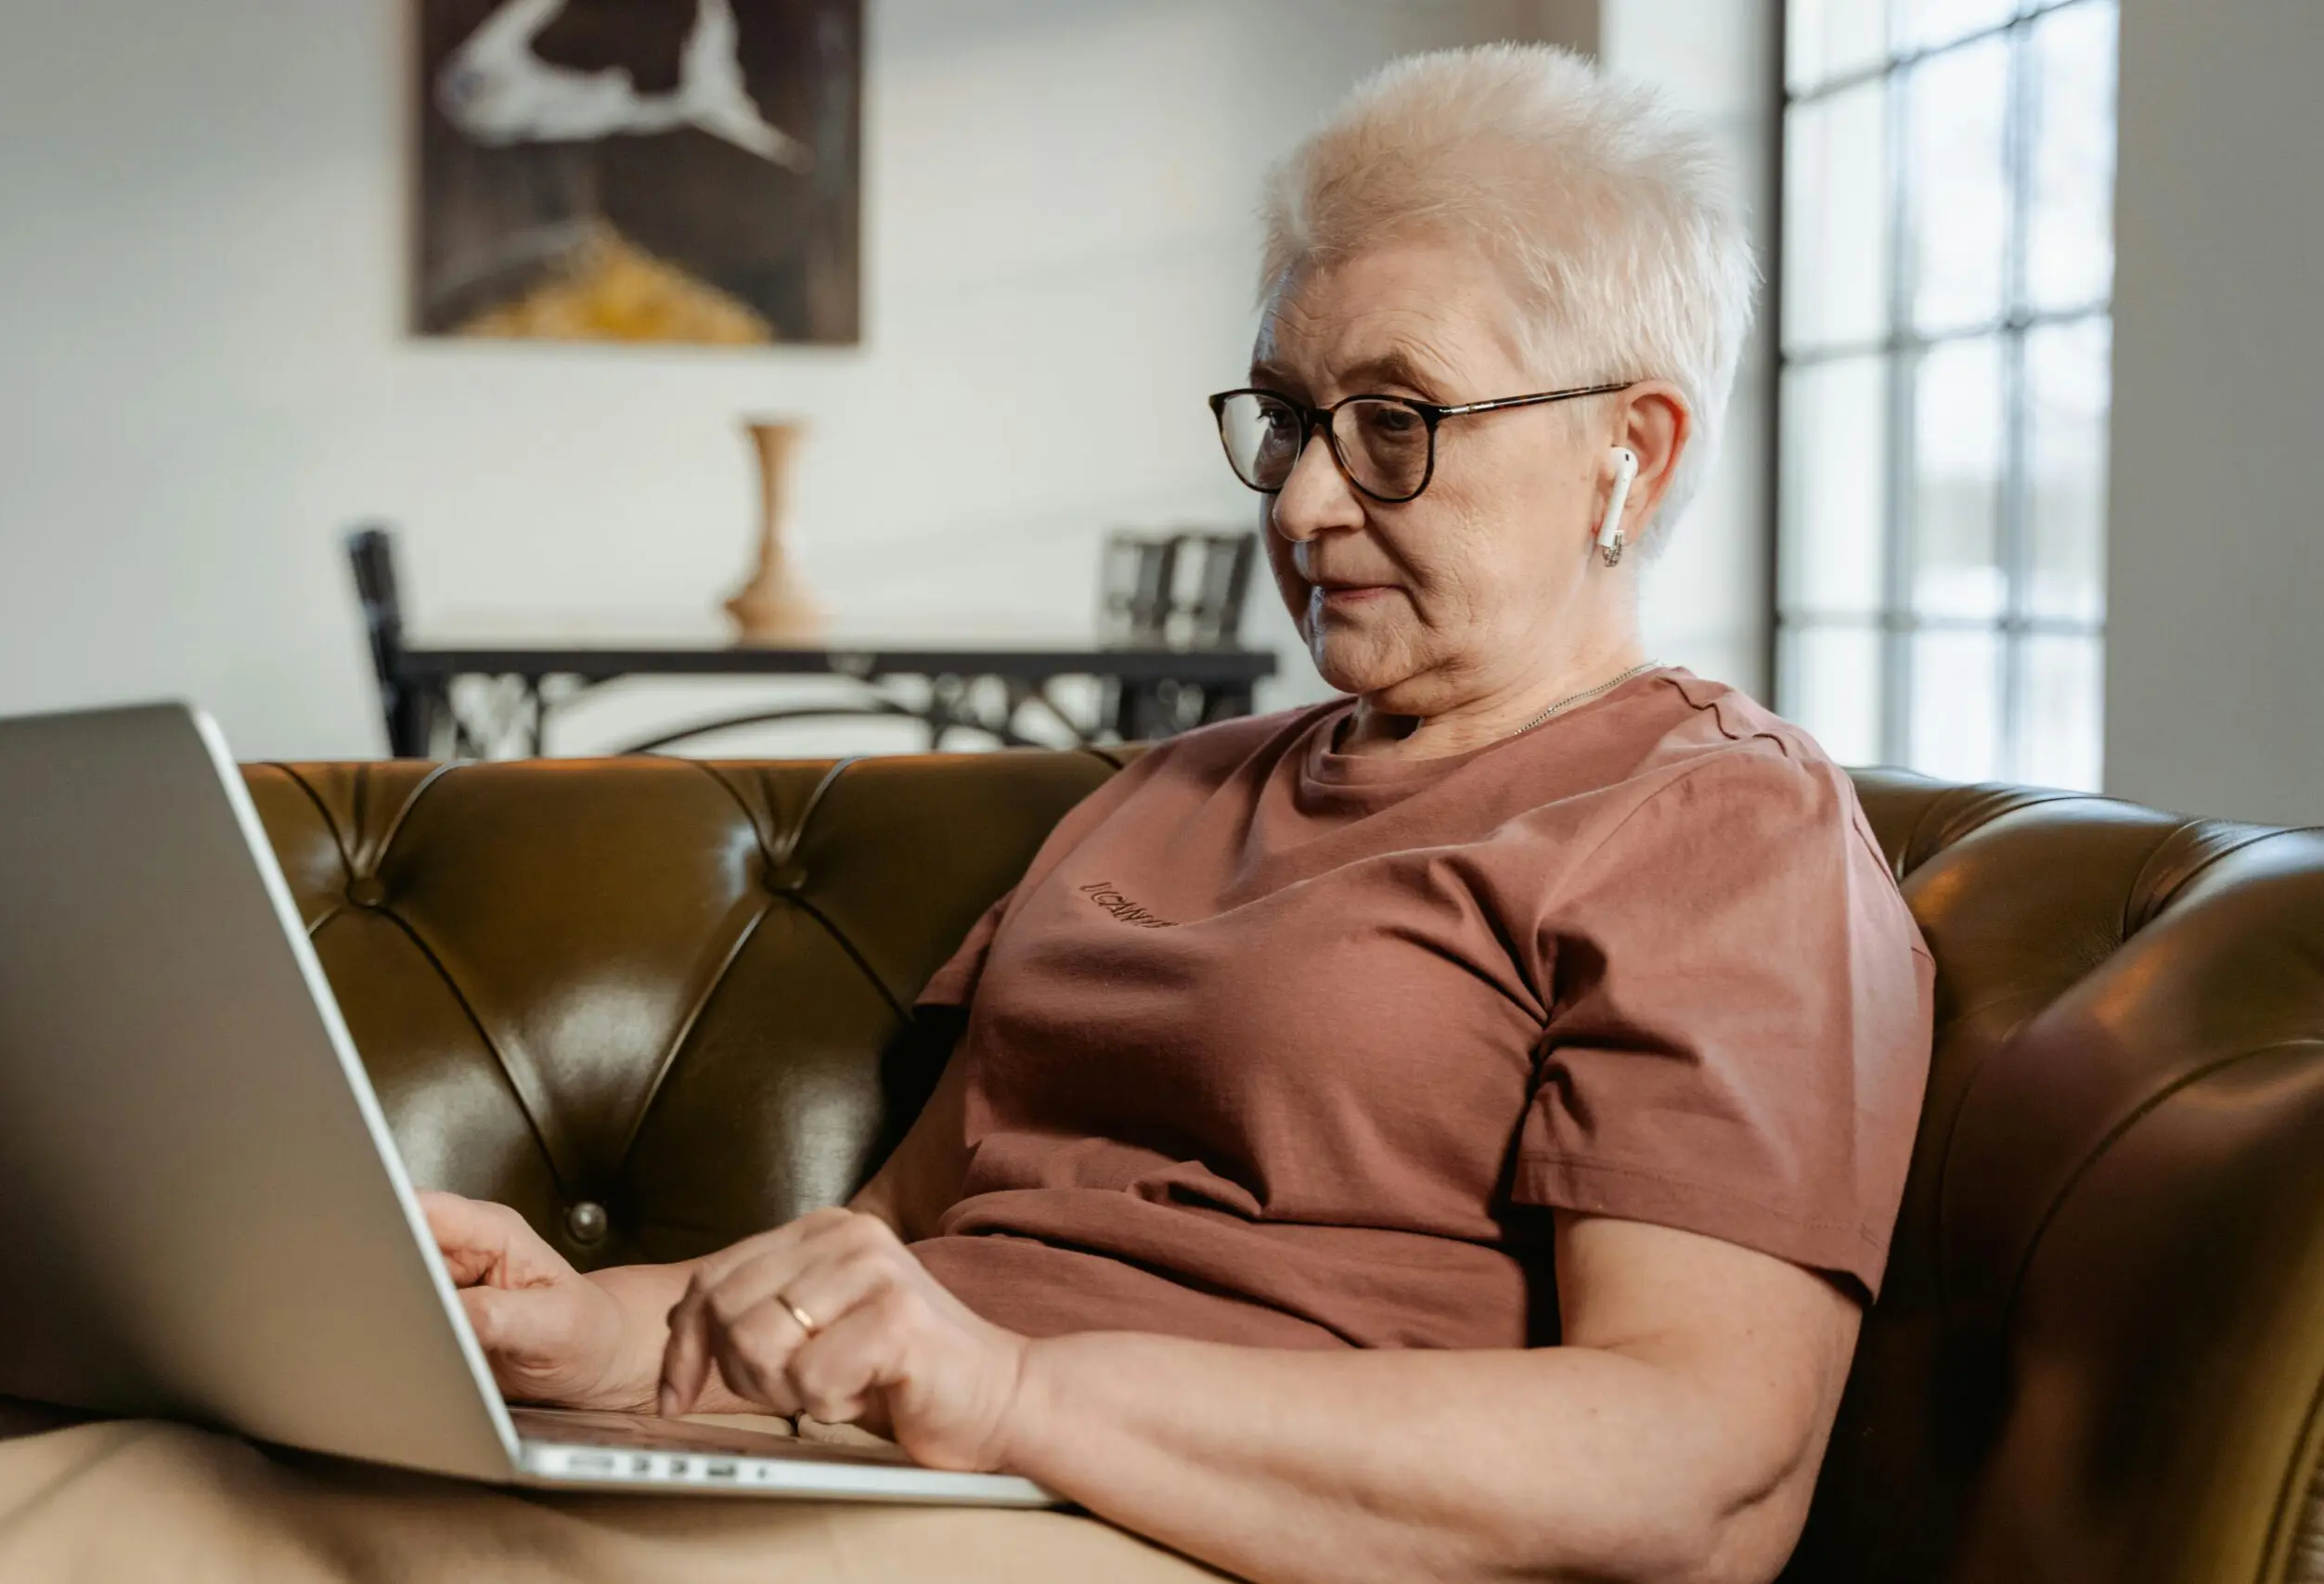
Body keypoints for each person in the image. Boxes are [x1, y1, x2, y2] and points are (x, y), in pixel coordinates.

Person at [424, 41, 1932, 1584]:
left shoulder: (1721, 826)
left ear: (1635, 448)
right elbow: (898, 1240)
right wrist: (592, 1334)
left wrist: (1014, 1395)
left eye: (1396, 422)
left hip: (1196, 1531)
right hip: (911, 1485)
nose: (1299, 504)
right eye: (1287, 415)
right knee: (180, 1490)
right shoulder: (1166, 791)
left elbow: (1699, 1475)